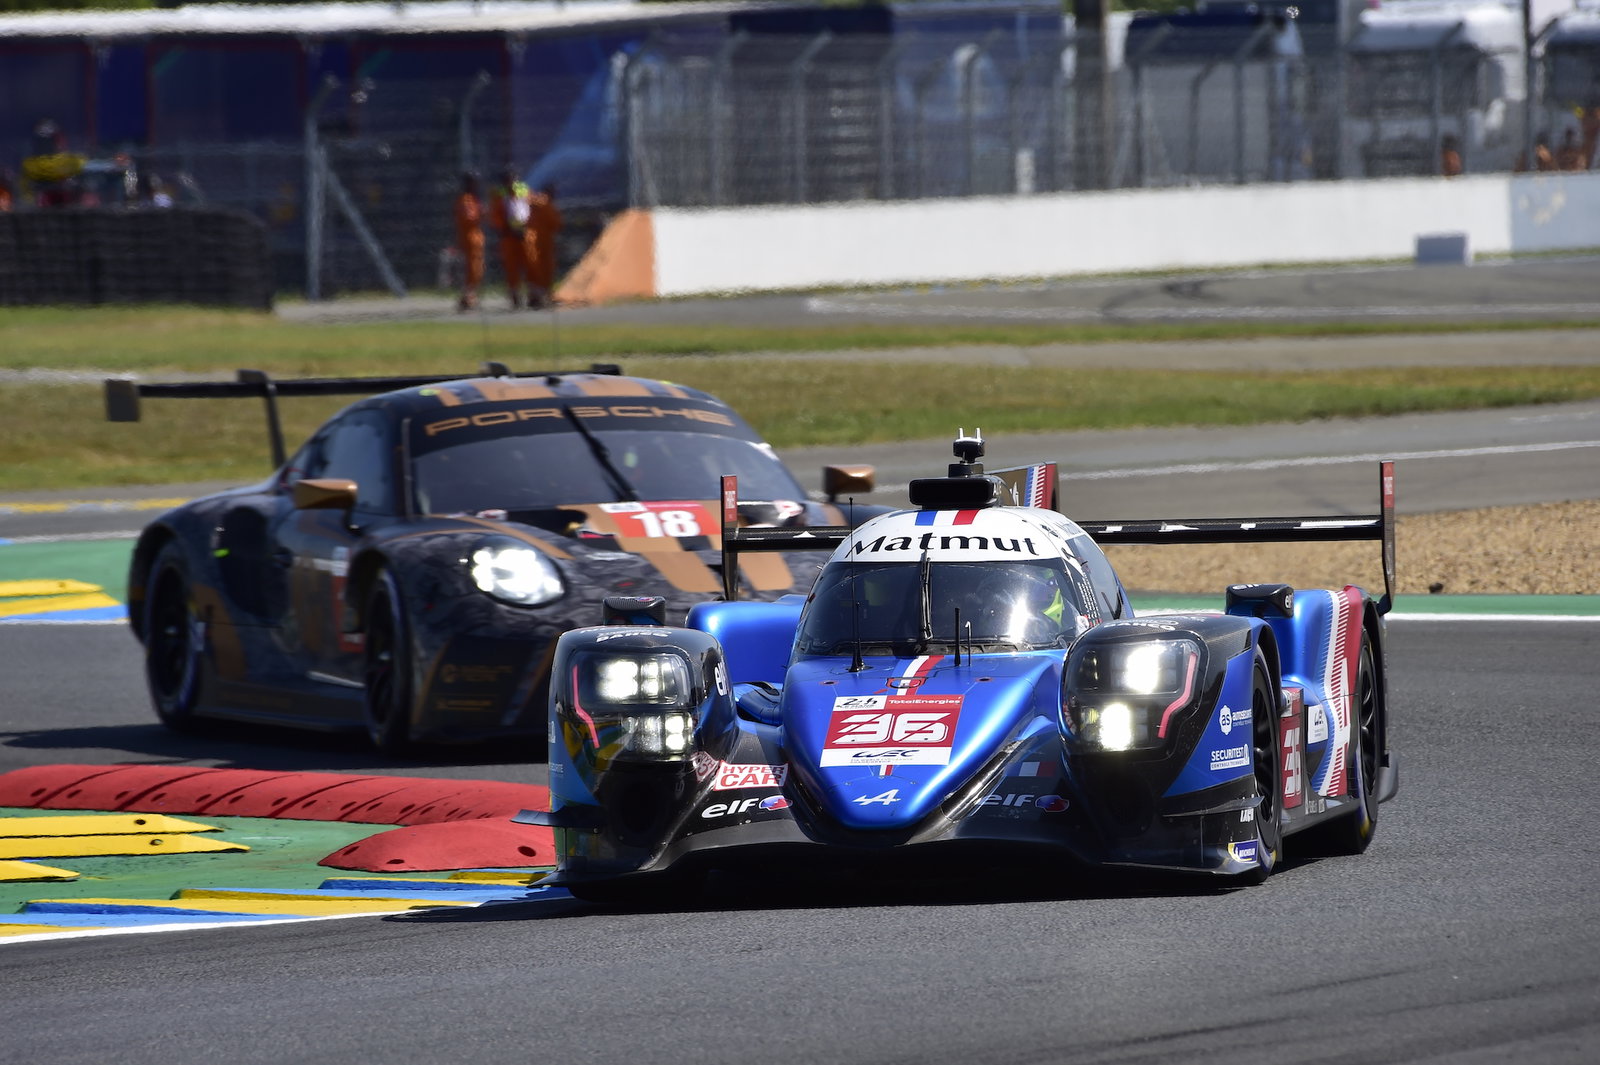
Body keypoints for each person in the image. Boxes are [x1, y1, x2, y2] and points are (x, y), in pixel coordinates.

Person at [489, 166, 537, 309]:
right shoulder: (499, 195)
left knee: (531, 264)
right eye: (507, 179)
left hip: (524, 233)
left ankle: (533, 295)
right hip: (508, 235)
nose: (510, 182)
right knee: (512, 268)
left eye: (512, 179)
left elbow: (532, 207)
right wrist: (504, 228)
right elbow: (495, 216)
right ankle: (515, 295)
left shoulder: (524, 190)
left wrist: (528, 228)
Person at [527, 182, 563, 308]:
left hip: (531, 239)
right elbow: (555, 223)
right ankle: (543, 296)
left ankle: (534, 295)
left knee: (534, 269)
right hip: (543, 241)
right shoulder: (547, 204)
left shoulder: (532, 200)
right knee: (545, 270)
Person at [453, 171, 485, 312]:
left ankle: (469, 296)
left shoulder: (472, 198)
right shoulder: (466, 199)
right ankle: (467, 297)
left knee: (476, 269)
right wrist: (482, 212)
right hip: (469, 239)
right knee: (471, 270)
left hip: (474, 239)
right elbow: (470, 217)